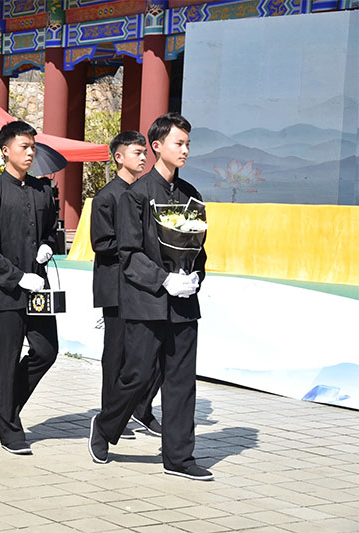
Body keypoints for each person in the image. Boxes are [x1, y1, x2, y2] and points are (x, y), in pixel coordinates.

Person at [89, 112, 212, 481]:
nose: (185, 150)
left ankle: (178, 457)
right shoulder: (136, 196)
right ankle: (106, 426)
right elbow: (128, 255)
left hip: (184, 304)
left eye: (188, 143)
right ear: (157, 147)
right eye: (179, 143)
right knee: (138, 376)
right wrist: (163, 280)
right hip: (147, 301)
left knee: (181, 380)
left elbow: (199, 248)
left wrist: (194, 278)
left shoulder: (192, 195)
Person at [0, 121, 59, 455]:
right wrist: (18, 276)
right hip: (5, 291)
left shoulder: (42, 191)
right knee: (7, 356)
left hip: (39, 289)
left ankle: (5, 401)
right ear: (5, 150)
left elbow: (52, 230)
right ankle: (10, 429)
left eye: (32, 146)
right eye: (24, 146)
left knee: (47, 351)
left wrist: (48, 245)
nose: (30, 152)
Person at [90, 131, 163, 442]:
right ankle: (111, 417)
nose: (143, 158)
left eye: (144, 152)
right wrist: (134, 243)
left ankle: (140, 409)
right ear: (118, 157)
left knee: (151, 354)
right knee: (117, 355)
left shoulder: (146, 192)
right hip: (117, 286)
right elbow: (101, 242)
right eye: (136, 152)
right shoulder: (108, 196)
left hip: (143, 283)